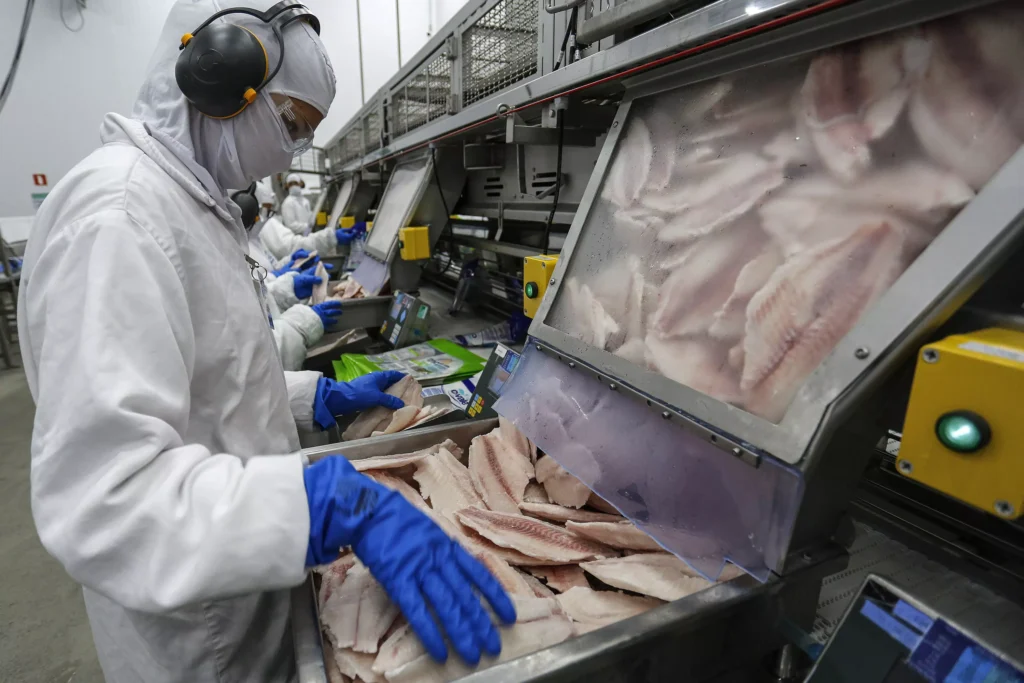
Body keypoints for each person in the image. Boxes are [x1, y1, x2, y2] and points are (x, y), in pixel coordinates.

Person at [17, 3, 514, 683]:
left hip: (246, 591)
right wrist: (313, 504)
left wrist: (316, 398)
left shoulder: (192, 205)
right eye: (290, 125)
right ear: (218, 74)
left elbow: (215, 380)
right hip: (202, 638)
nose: (290, 152)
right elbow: (106, 499)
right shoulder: (118, 220)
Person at [232, 187, 342, 371]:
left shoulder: (249, 239)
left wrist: (288, 283)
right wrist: (302, 324)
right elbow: (254, 356)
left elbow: (259, 290)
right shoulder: (231, 248)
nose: (260, 218)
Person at [256, 177, 364, 259]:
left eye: (296, 183)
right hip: (299, 238)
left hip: (306, 238)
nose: (294, 186)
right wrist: (330, 237)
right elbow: (288, 243)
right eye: (291, 184)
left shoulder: (304, 201)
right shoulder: (286, 204)